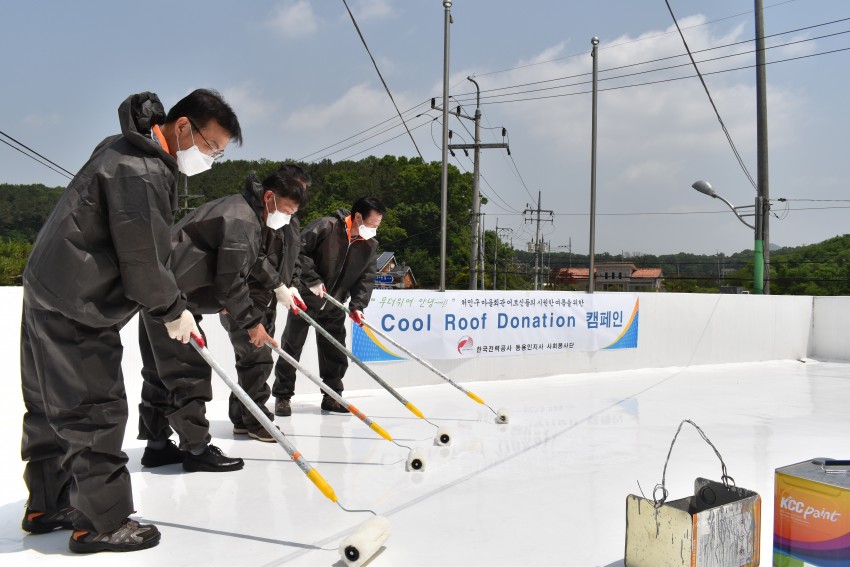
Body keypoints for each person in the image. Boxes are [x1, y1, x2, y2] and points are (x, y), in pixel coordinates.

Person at [20, 89, 242, 553]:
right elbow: (143, 262)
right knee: (92, 409)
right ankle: (101, 522)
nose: (210, 158)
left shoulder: (123, 148)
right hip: (79, 301)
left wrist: (168, 303)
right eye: (210, 147)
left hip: (49, 286)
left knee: (49, 406)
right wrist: (172, 310)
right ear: (183, 127)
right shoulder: (141, 170)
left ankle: (47, 505)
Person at [137, 167, 308, 468]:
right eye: (286, 211)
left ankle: (157, 445)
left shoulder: (243, 210)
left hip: (161, 293)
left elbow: (253, 261)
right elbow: (231, 282)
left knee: (159, 373)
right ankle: (196, 452)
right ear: (269, 197)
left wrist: (279, 284)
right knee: (187, 372)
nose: (287, 219)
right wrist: (253, 323)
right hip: (173, 300)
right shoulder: (242, 220)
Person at [272, 196, 385, 416]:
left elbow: (366, 277)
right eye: (372, 224)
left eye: (378, 225)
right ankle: (283, 396)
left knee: (334, 351)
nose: (374, 229)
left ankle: (332, 396)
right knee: (292, 347)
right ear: (358, 217)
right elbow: (299, 252)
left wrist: (358, 305)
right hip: (306, 299)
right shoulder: (327, 226)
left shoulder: (370, 244)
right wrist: (312, 279)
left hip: (335, 304)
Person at [223, 165, 311, 442]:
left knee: (252, 360)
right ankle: (257, 419)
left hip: (269, 296)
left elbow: (293, 256)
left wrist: (291, 284)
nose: (297, 200)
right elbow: (256, 258)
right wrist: (277, 283)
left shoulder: (288, 219)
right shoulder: (254, 215)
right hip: (246, 295)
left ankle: (242, 417)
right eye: (293, 194)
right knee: (257, 359)